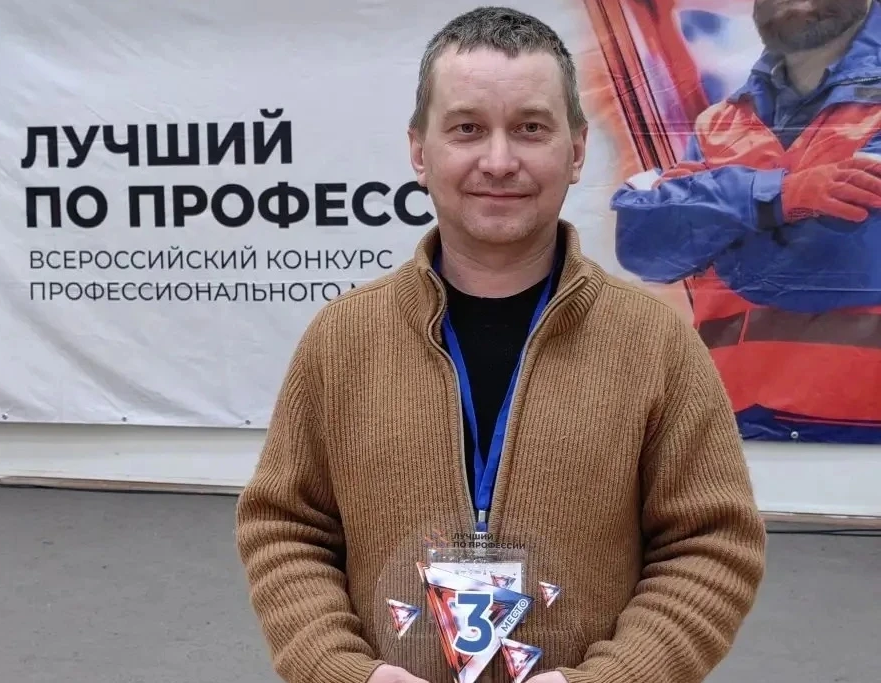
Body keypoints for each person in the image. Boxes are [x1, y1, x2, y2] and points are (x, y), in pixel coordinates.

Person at [236, 7, 767, 683]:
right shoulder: (343, 338)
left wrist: (614, 678)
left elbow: (710, 546)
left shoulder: (655, 344)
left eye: (530, 128)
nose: (498, 160)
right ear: (419, 152)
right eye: (466, 128)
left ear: (577, 150)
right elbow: (286, 529)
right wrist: (342, 671)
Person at [612, 0, 881, 444]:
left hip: (862, 444)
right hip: (729, 439)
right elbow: (644, 244)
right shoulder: (720, 122)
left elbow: (831, 259)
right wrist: (782, 197)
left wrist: (710, 226)